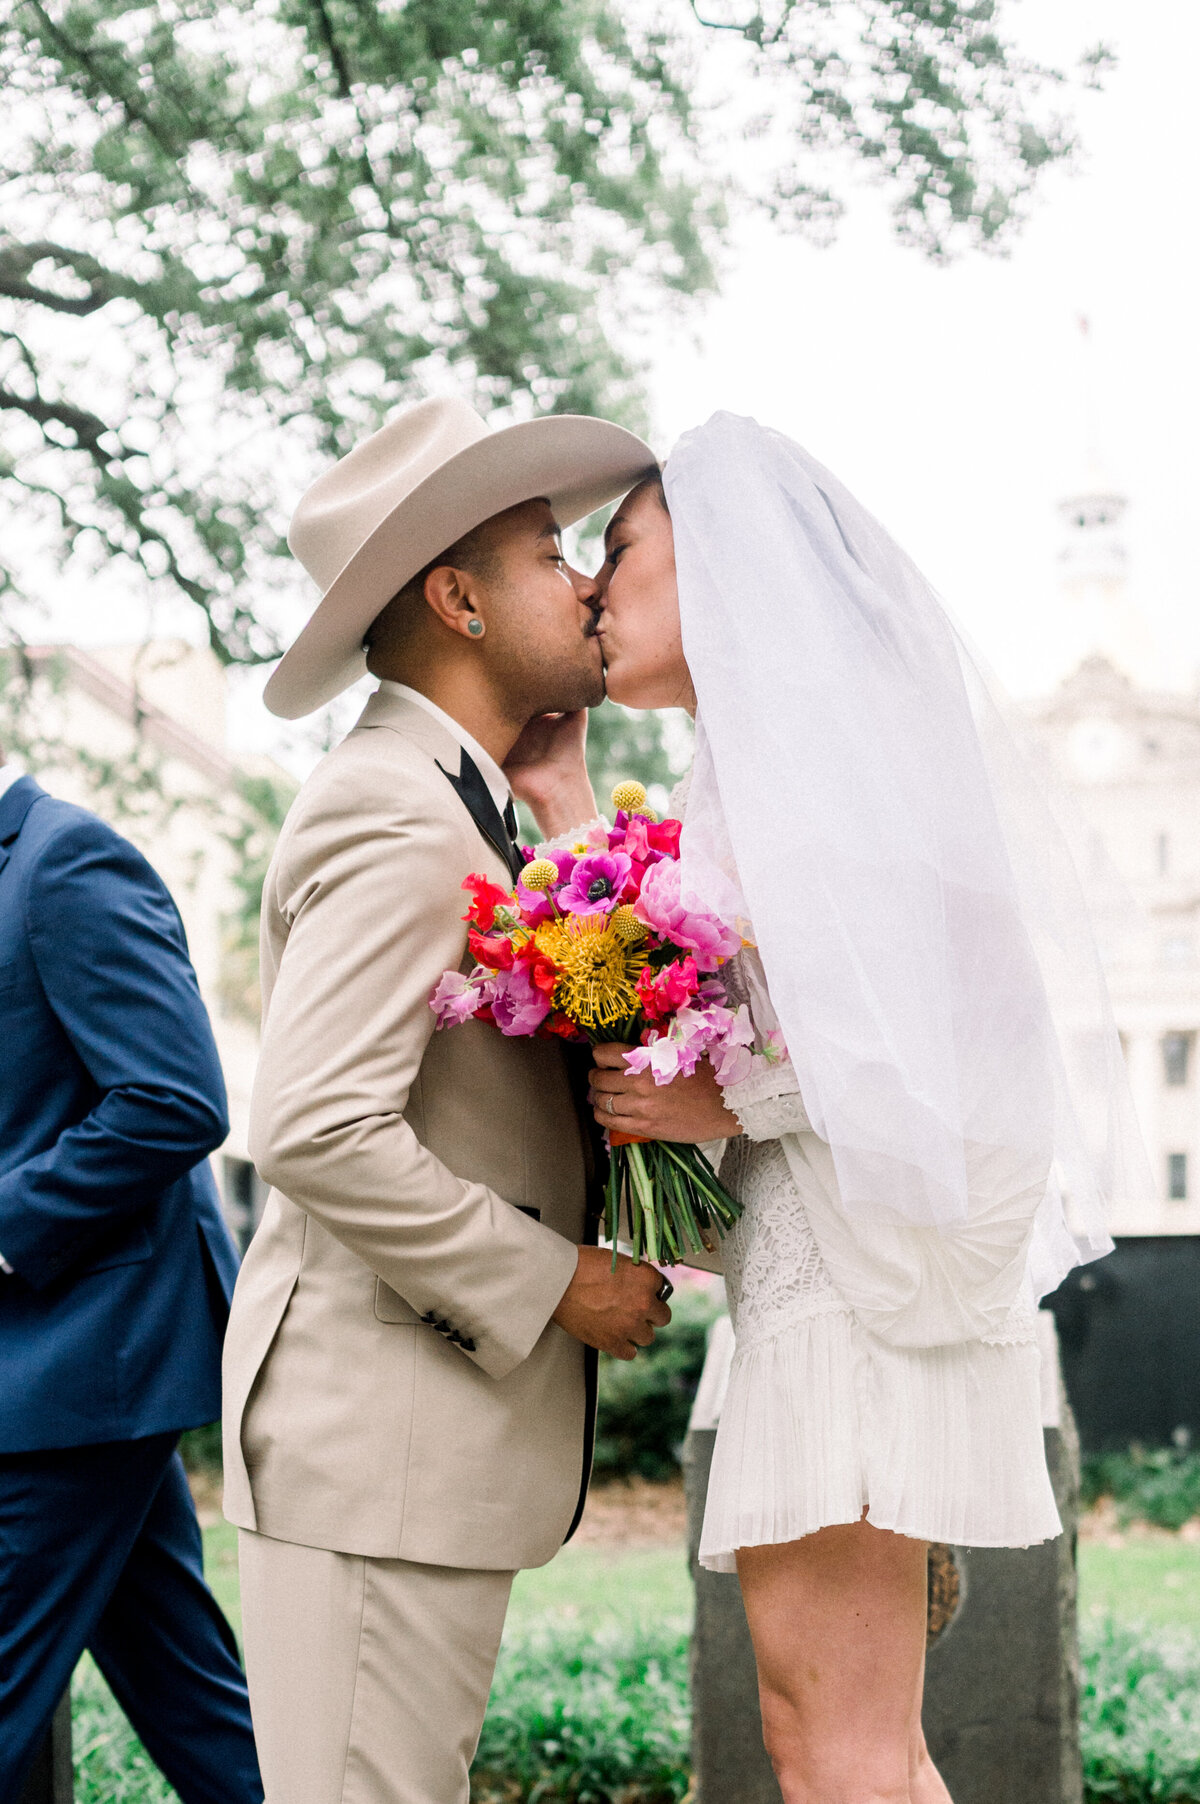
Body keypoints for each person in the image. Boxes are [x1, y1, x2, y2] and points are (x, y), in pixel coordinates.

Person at [570, 414, 1143, 1804]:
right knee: (843, 1738)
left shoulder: (814, 778)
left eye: (622, 548)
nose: (591, 587)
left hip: (861, 1303)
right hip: (831, 1280)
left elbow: (930, 1043)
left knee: (832, 1742)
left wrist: (719, 1093)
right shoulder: (772, 770)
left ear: (720, 562)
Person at [221, 394, 672, 1804]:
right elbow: (311, 1126)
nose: (589, 581)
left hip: (413, 1459)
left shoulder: (456, 796)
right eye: (552, 553)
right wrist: (560, 1284)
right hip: (376, 1455)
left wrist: (562, 814)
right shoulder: (391, 807)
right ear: (460, 598)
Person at [0, 755, 263, 1804]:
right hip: (66, 1372)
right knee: (186, 1688)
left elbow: (176, 1097)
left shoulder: (63, 862)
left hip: (83, 1359)